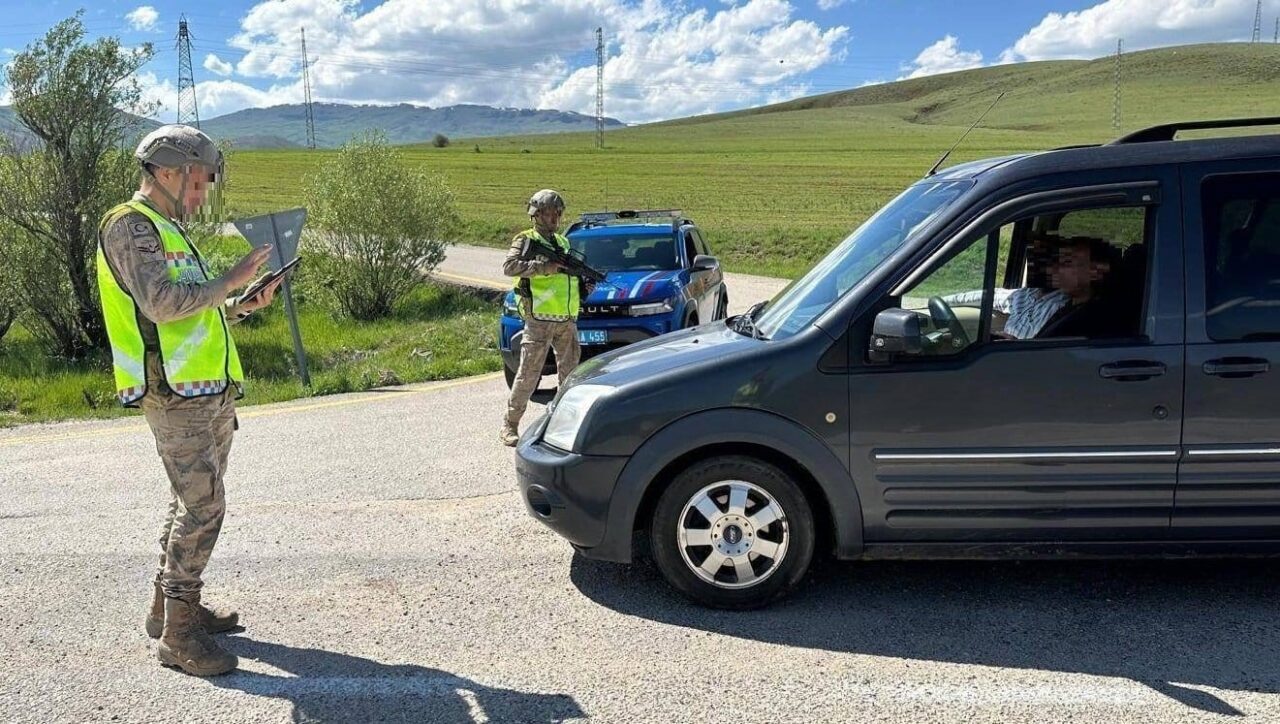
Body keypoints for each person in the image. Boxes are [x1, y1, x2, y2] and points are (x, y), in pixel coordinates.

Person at [96, 124, 284, 676]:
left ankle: (169, 610)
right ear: (166, 172)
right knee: (203, 507)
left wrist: (242, 302)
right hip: (172, 391)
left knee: (191, 502)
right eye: (199, 180)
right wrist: (229, 278)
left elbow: (194, 310)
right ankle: (179, 636)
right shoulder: (131, 226)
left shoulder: (169, 229)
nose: (203, 193)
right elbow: (160, 304)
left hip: (204, 388)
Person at [501, 189, 591, 446]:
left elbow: (567, 282)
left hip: (566, 319)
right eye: (550, 213)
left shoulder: (563, 243)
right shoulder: (525, 239)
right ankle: (510, 424)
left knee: (570, 376)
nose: (555, 218)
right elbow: (509, 267)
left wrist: (584, 288)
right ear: (537, 214)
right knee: (528, 373)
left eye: (557, 214)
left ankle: (564, 425)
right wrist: (543, 268)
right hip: (539, 319)